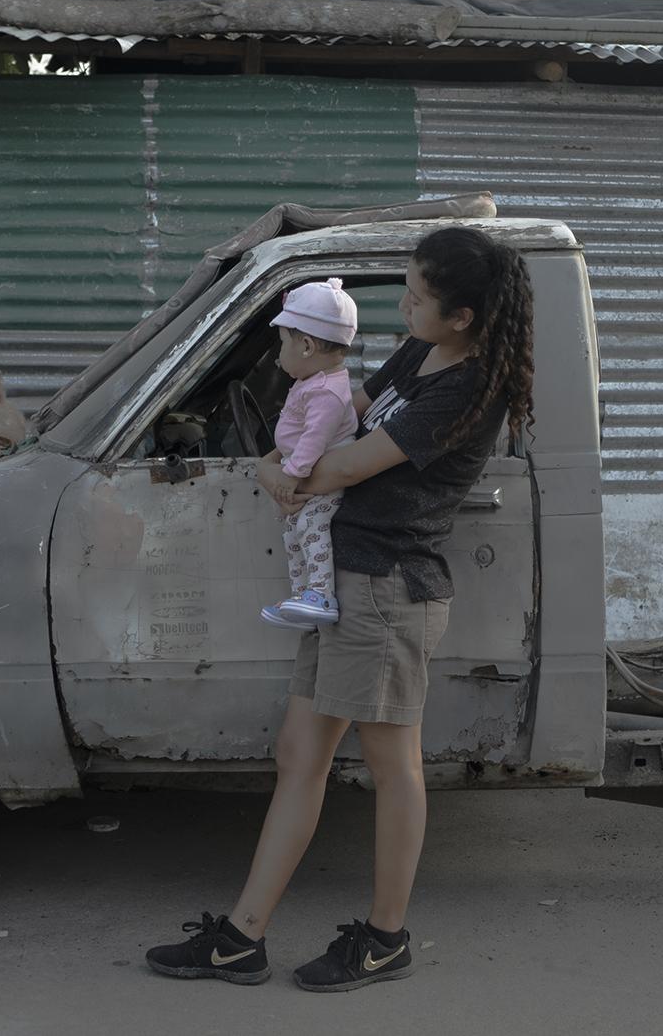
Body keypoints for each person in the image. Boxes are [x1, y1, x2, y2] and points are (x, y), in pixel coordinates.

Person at [147, 226, 535, 992]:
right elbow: (337, 413)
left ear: (461, 316)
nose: (406, 303)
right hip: (341, 582)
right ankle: (242, 938)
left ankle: (387, 937)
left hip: (387, 587)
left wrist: (283, 472)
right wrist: (280, 461)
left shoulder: (466, 385)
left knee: (394, 769)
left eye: (420, 296)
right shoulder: (418, 352)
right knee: (300, 753)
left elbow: (350, 462)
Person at [259, 278, 361, 629]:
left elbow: (313, 442)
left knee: (311, 526)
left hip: (321, 476)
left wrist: (290, 476)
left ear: (305, 346)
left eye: (282, 344)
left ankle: (321, 594)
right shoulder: (312, 383)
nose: (277, 355)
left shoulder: (326, 393)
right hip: (307, 470)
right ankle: (302, 595)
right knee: (293, 531)